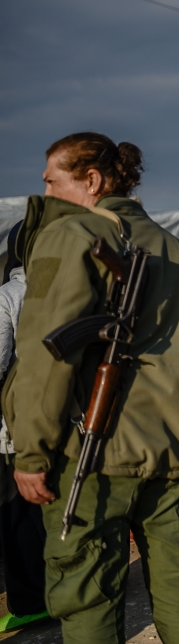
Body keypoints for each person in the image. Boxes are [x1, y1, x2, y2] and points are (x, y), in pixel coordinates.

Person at [3, 132, 179, 643]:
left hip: (91, 453)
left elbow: (45, 356)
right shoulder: (175, 247)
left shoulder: (68, 234)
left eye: (53, 180)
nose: (47, 193)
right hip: (171, 446)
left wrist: (31, 453)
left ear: (91, 179)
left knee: (87, 590)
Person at [0, 221, 48, 632]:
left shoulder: (9, 296)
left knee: (21, 520)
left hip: (18, 433)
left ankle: (33, 602)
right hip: (78, 429)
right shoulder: (84, 291)